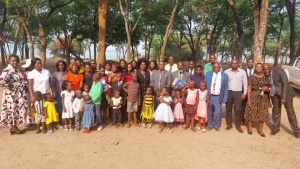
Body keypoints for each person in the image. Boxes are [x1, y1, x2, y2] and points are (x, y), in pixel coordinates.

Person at [263, 63, 300, 138]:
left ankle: (296, 130)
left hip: (286, 94)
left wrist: (283, 97)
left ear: (271, 68)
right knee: (276, 111)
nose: (266, 71)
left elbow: (285, 84)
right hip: (275, 95)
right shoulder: (265, 75)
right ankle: (275, 129)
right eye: (264, 69)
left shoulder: (279, 71)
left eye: (267, 69)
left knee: (290, 112)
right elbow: (268, 86)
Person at [0, 55, 30, 134]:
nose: (15, 62)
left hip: (18, 93)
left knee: (16, 109)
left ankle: (14, 126)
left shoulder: (16, 69)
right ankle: (13, 127)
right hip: (12, 94)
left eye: (16, 61)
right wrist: (8, 85)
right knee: (12, 109)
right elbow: (1, 80)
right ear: (9, 61)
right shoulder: (7, 70)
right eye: (13, 61)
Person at [245, 63, 270, 137]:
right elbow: (249, 88)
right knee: (251, 112)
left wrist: (267, 89)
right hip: (253, 96)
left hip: (263, 97)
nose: (259, 68)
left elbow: (269, 87)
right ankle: (249, 128)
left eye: (260, 67)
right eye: (257, 67)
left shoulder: (266, 77)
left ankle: (260, 130)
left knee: (262, 113)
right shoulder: (252, 77)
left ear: (262, 68)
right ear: (255, 68)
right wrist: (248, 100)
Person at [224, 59, 247, 133]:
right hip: (229, 92)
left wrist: (244, 93)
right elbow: (224, 83)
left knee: (238, 110)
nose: (234, 65)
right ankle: (229, 124)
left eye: (235, 63)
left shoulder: (242, 72)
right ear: (231, 64)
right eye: (233, 63)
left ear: (238, 64)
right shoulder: (226, 72)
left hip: (238, 93)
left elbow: (245, 83)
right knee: (228, 109)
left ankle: (238, 126)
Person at [205, 62, 228, 131]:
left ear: (220, 67)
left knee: (218, 111)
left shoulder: (224, 75)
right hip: (210, 96)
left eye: (217, 67)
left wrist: (225, 98)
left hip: (218, 97)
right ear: (212, 68)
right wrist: (205, 96)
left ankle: (216, 125)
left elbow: (226, 87)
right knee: (209, 111)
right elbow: (205, 85)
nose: (216, 68)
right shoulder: (208, 74)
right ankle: (209, 124)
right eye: (214, 67)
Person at [52, 60, 67, 127]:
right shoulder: (55, 74)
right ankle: (60, 121)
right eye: (59, 65)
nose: (61, 66)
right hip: (58, 92)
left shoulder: (67, 73)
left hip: (66, 93)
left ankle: (67, 121)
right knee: (59, 107)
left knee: (66, 106)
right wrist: (54, 92)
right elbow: (52, 84)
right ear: (57, 66)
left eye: (62, 65)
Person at [241, 58, 254, 125]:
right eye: (249, 62)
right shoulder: (243, 71)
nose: (250, 63)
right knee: (242, 106)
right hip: (244, 92)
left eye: (252, 62)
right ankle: (242, 120)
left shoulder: (256, 72)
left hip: (253, 93)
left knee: (252, 107)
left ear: (253, 63)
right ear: (247, 63)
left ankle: (251, 121)